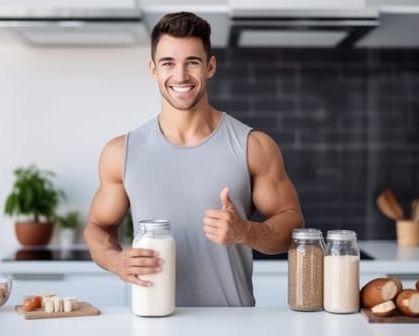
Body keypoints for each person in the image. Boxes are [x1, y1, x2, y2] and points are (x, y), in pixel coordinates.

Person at [84, 11, 304, 307]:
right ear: (153, 70)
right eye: (168, 63)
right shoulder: (121, 152)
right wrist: (115, 260)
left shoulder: (253, 146)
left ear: (210, 66)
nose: (181, 75)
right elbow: (97, 226)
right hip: (153, 323)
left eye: (192, 62)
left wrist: (246, 231)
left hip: (232, 328)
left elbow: (292, 227)